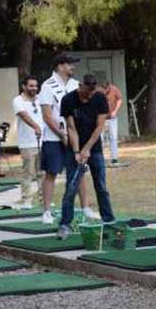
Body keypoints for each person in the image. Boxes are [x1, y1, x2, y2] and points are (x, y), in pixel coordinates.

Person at [38, 52, 98, 224]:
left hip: (75, 137)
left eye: (73, 64)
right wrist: (62, 134)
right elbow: (47, 116)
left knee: (79, 172)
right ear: (60, 66)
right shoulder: (47, 86)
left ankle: (86, 207)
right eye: (69, 63)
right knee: (51, 173)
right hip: (53, 138)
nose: (73, 67)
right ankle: (47, 211)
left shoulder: (75, 85)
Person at [57, 74, 116, 240]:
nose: (88, 97)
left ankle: (109, 220)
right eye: (86, 93)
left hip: (94, 148)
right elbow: (71, 128)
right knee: (71, 187)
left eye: (91, 94)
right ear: (80, 86)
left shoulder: (100, 99)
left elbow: (99, 128)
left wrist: (87, 149)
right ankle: (65, 224)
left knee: (101, 186)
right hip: (74, 149)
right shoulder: (68, 100)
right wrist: (77, 152)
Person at [13, 75, 44, 209]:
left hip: (43, 141)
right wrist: (35, 126)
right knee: (28, 173)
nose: (34, 88)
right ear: (24, 86)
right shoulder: (18, 100)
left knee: (42, 173)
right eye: (31, 86)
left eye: (36, 86)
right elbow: (23, 115)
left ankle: (44, 200)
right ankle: (26, 200)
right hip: (27, 143)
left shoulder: (40, 99)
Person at [98, 80, 123, 165]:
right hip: (102, 118)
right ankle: (100, 158)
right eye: (103, 89)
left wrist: (115, 111)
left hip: (112, 117)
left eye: (106, 89)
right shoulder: (98, 91)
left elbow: (119, 100)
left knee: (113, 137)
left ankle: (114, 158)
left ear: (109, 86)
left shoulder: (114, 89)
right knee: (100, 138)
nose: (104, 91)